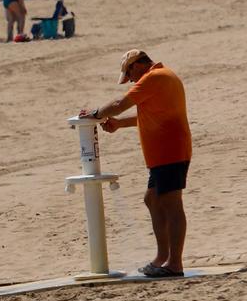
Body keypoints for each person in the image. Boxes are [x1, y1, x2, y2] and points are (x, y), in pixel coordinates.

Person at [80, 49, 192, 279]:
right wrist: (120, 124)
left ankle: (174, 264)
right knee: (152, 199)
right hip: (164, 153)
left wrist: (94, 113)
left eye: (129, 75)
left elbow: (121, 102)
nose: (131, 81)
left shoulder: (155, 77)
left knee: (171, 203)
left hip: (169, 150)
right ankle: (162, 258)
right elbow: (150, 115)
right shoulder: (161, 77)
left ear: (136, 66)